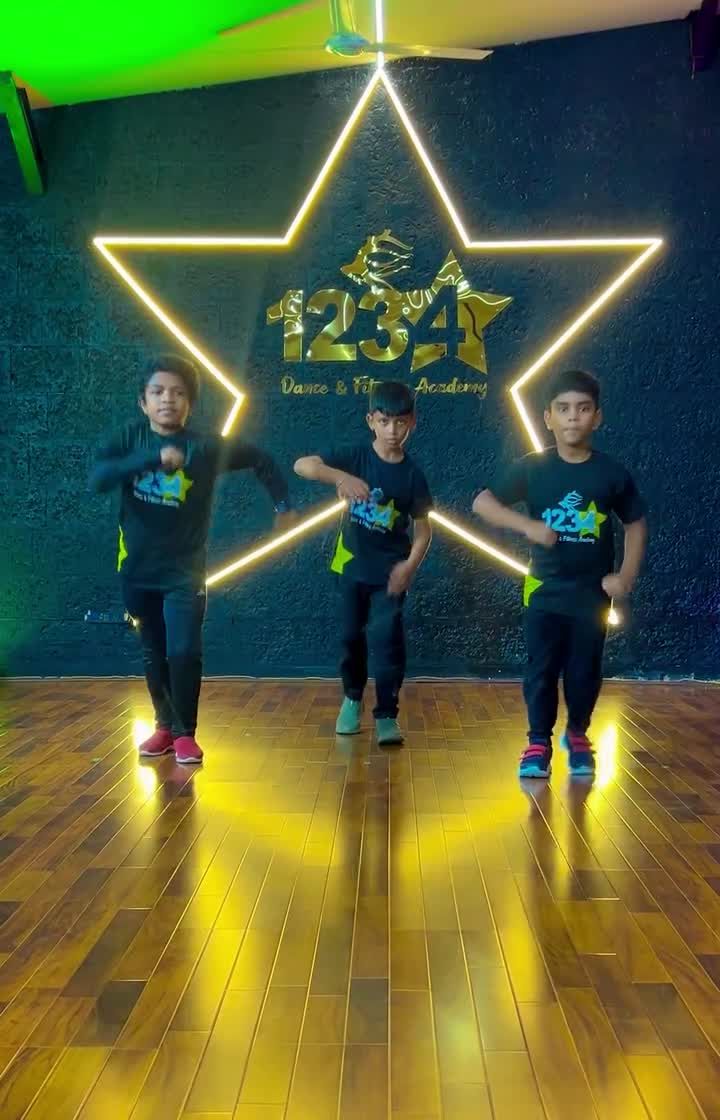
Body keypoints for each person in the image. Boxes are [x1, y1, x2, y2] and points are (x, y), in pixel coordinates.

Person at [90, 353, 293, 765]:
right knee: (153, 650)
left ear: (190, 404)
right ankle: (164, 727)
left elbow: (261, 459)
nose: (168, 399)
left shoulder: (204, 447)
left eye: (178, 393)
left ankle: (186, 734)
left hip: (184, 573)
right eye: (158, 392)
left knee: (183, 650)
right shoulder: (128, 439)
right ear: (143, 401)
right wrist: (154, 458)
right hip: (137, 571)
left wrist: (283, 506)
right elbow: (99, 479)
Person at [472, 369, 647, 779]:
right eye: (563, 409)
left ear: (597, 417)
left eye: (583, 409)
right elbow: (482, 503)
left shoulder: (611, 474)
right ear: (548, 417)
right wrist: (527, 526)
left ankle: (578, 734)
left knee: (585, 670)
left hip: (591, 595)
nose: (573, 417)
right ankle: (538, 742)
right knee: (541, 669)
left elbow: (636, 524)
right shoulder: (533, 469)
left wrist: (626, 576)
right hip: (544, 591)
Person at [294, 380, 432, 745]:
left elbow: (423, 532)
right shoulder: (355, 456)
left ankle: (386, 714)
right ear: (371, 420)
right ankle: (352, 699)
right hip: (351, 568)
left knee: (387, 643)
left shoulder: (413, 475)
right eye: (384, 421)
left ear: (412, 422)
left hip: (390, 576)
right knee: (349, 638)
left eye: (400, 422)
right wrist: (341, 477)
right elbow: (302, 465)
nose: (392, 430)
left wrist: (409, 567)